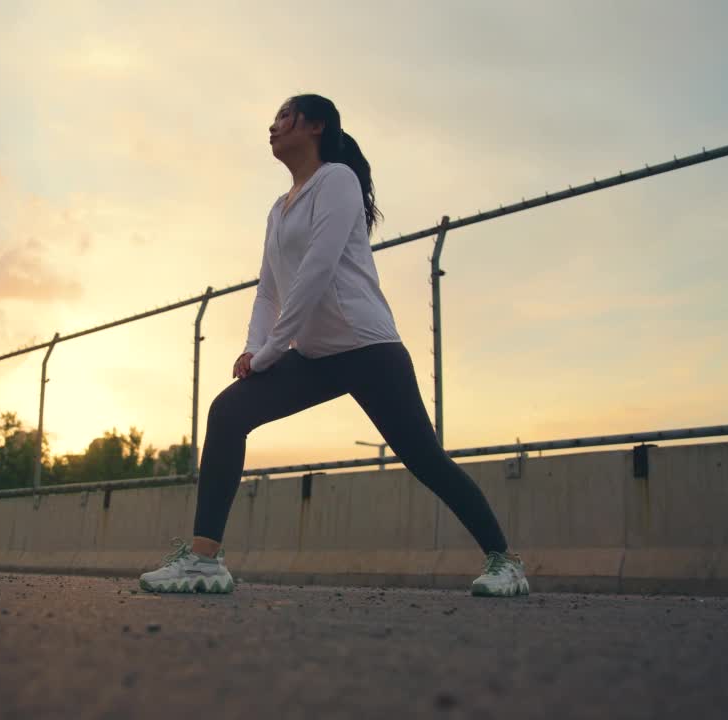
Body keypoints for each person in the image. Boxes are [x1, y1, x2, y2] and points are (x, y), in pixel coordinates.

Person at [139, 94, 529, 598]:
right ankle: (204, 561)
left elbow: (317, 272)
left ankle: (504, 561)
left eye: (284, 116)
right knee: (228, 413)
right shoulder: (278, 210)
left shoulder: (336, 181)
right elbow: (268, 289)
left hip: (369, 349)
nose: (273, 125)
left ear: (316, 125)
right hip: (316, 356)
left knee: (425, 459)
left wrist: (271, 352)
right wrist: (254, 347)